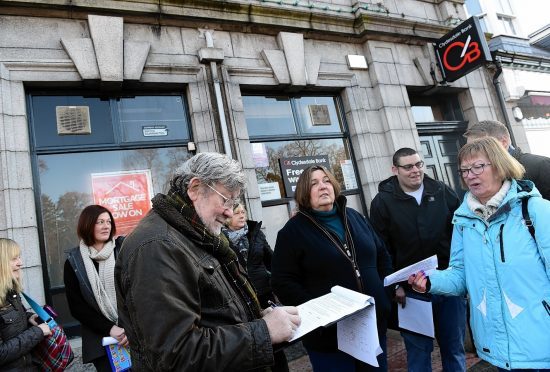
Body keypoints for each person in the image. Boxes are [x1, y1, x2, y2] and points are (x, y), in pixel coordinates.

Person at [114, 152, 300, 371]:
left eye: (234, 202)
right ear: (194, 189)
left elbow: (214, 313)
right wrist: (263, 331)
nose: (230, 212)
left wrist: (257, 319)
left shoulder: (196, 233)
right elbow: (175, 355)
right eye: (225, 200)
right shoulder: (157, 247)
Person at [409, 137, 550, 371]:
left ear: (500, 165)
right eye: (464, 170)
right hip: (498, 349)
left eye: (478, 167)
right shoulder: (463, 220)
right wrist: (430, 281)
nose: (470, 175)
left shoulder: (536, 211)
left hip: (542, 343)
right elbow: (461, 274)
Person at [271, 165, 392, 371]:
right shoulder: (292, 232)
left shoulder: (356, 217)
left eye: (326, 180)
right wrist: (318, 314)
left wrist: (383, 293)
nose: (322, 187)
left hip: (371, 326)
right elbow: (283, 281)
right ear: (303, 192)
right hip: (329, 338)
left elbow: (382, 255)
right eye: (314, 183)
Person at [369, 148, 466, 372]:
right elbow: (380, 249)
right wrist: (395, 287)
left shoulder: (442, 191)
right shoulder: (382, 203)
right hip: (410, 292)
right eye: (409, 166)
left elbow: (461, 234)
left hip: (448, 286)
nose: (416, 170)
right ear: (395, 170)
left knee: (454, 348)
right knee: (419, 353)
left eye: (419, 164)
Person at [223, 203, 289, 372]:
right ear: (228, 217)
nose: (241, 215)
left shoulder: (255, 233)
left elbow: (272, 261)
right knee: (253, 338)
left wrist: (278, 284)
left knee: (275, 341)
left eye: (243, 211)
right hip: (240, 298)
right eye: (236, 212)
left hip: (263, 294)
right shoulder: (220, 240)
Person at [64, 205, 127, 372]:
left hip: (132, 334)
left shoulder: (123, 249)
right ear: (87, 224)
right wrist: (110, 328)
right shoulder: (74, 261)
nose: (106, 226)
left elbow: (138, 292)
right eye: (100, 222)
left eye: (108, 222)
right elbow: (77, 307)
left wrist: (128, 328)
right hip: (101, 339)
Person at [464, 119, 550, 200]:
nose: (472, 152)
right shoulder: (477, 175)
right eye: (470, 148)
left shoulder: (540, 165)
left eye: (481, 146)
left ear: (503, 142)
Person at [0, 238, 51, 370]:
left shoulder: (11, 293)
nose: (20, 263)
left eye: (19, 257)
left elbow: (10, 323)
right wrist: (38, 332)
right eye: (14, 258)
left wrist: (29, 318)